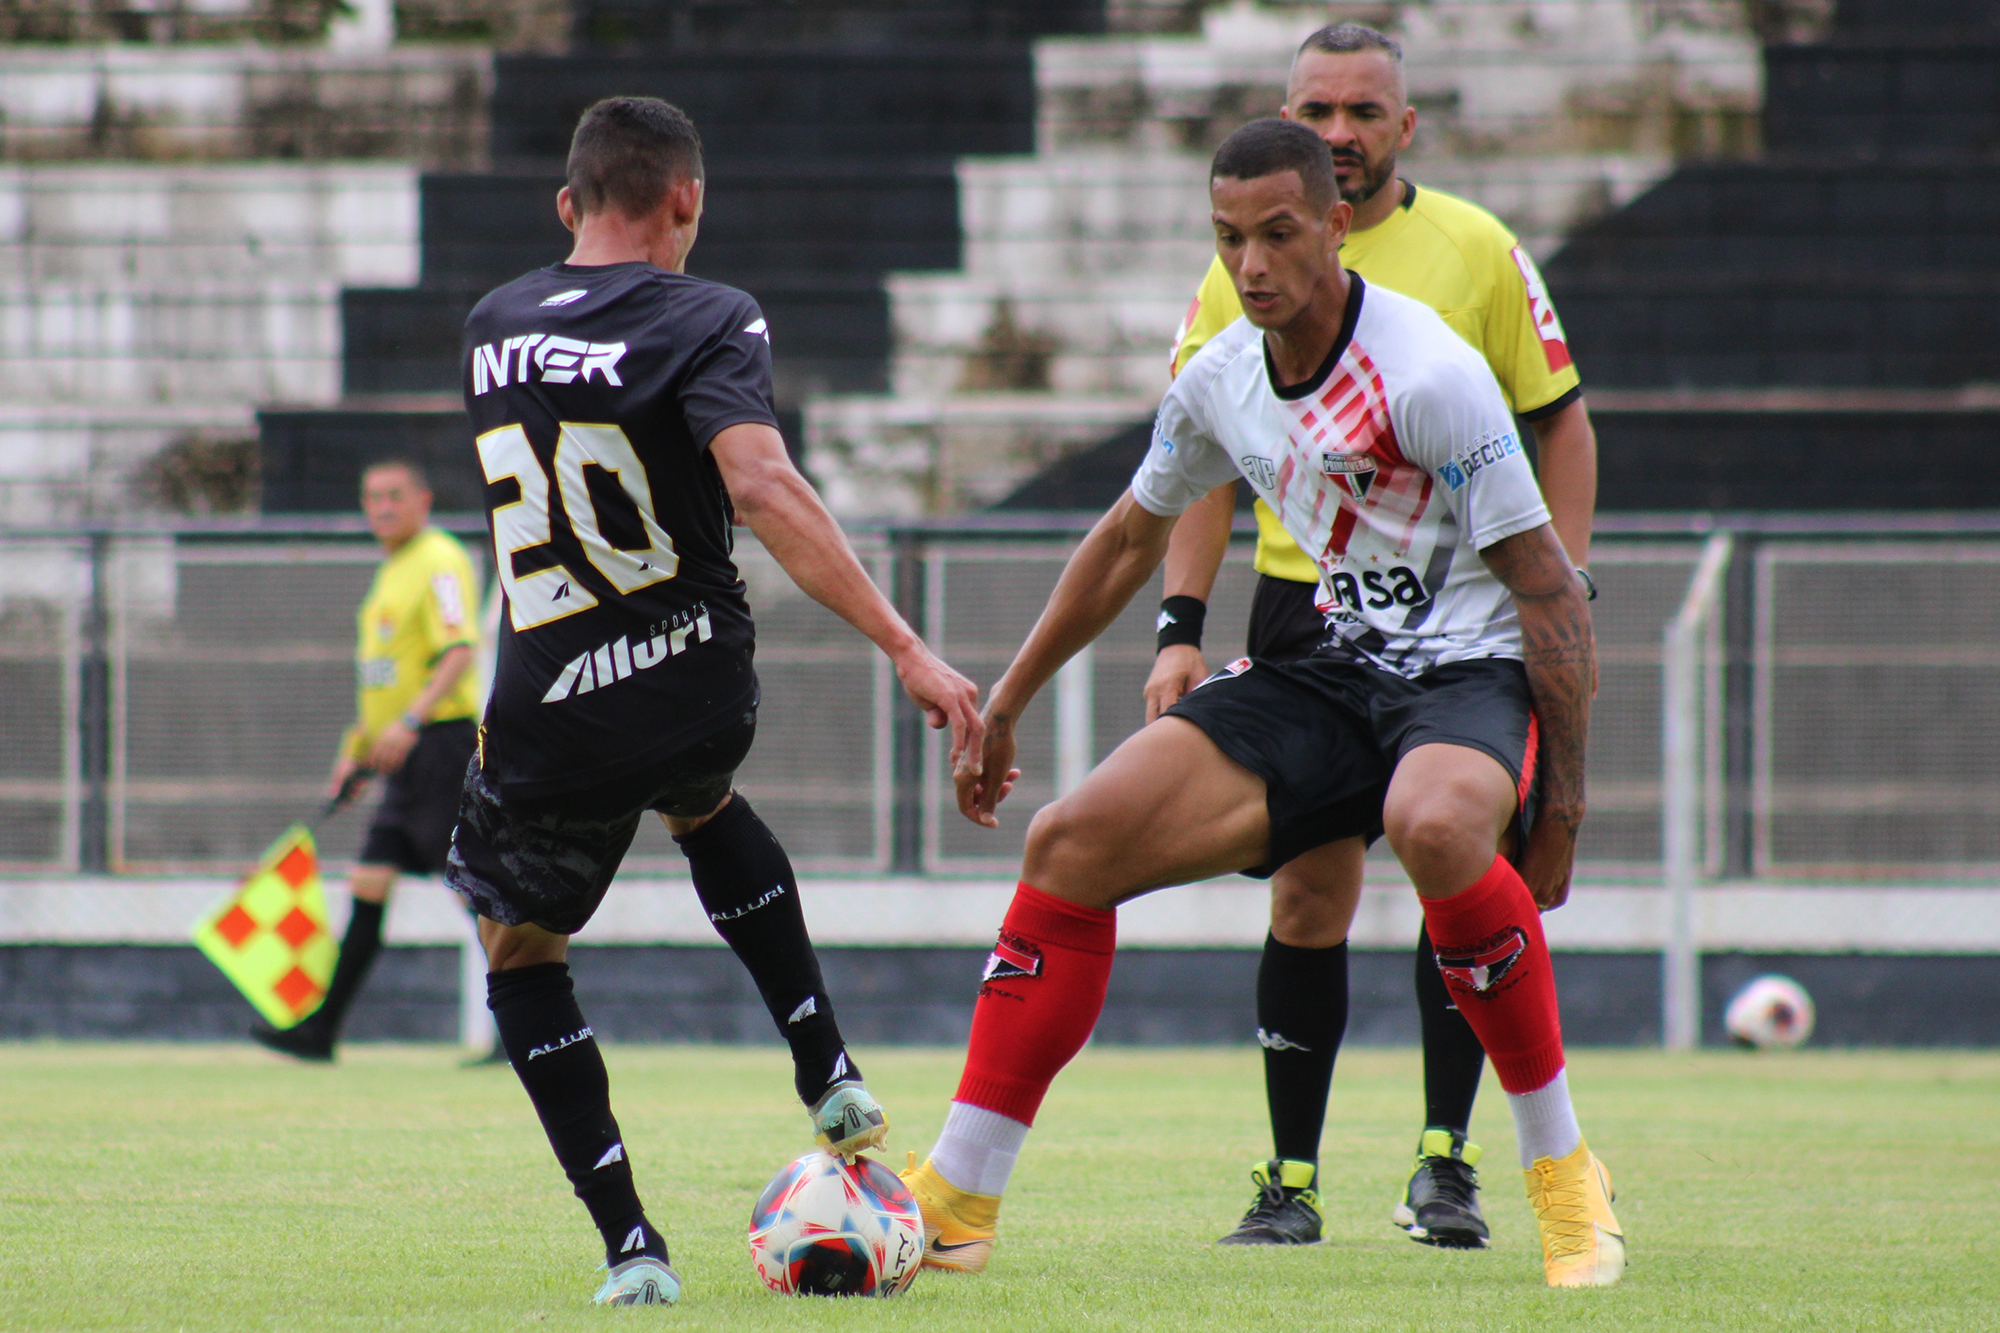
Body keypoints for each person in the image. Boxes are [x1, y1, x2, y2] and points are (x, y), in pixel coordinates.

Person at [902, 118, 1623, 1290]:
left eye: (1277, 235)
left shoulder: (1432, 374)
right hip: (1333, 666)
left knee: (1432, 826)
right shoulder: (1220, 374)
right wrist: (1008, 699)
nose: (1250, 266)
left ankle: (1560, 1172)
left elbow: (1550, 596)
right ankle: (958, 1191)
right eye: (1228, 238)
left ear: (1334, 227)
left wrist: (1562, 808)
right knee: (1068, 841)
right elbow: (1129, 536)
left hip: (1466, 672)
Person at [444, 96, 983, 1307]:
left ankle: (632, 1246)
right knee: (702, 798)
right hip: (694, 675)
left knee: (523, 952)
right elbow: (762, 483)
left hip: (551, 708)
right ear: (685, 200)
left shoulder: (489, 326)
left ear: (566, 204)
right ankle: (825, 1061)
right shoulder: (711, 313)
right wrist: (903, 645)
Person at [1146, 22, 1600, 1249]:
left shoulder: (1476, 250)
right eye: (1314, 110)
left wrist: (1554, 585)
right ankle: (1288, 1177)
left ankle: (1444, 1161)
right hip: (1301, 610)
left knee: (1447, 862)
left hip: (1453, 614)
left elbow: (1560, 422)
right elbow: (1197, 459)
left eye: (1360, 111)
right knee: (1306, 891)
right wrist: (1178, 626)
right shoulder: (1241, 257)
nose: (1336, 132)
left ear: (1406, 128)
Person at [251, 458, 484, 1063]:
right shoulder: (391, 572)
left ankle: (528, 1019)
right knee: (369, 882)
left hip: (438, 745)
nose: (381, 507)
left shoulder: (439, 560)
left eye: (394, 496)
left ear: (423, 499)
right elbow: (383, 682)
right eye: (371, 497)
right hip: (398, 756)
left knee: (471, 886)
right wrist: (352, 756)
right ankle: (320, 1032)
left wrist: (411, 722)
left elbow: (459, 650)